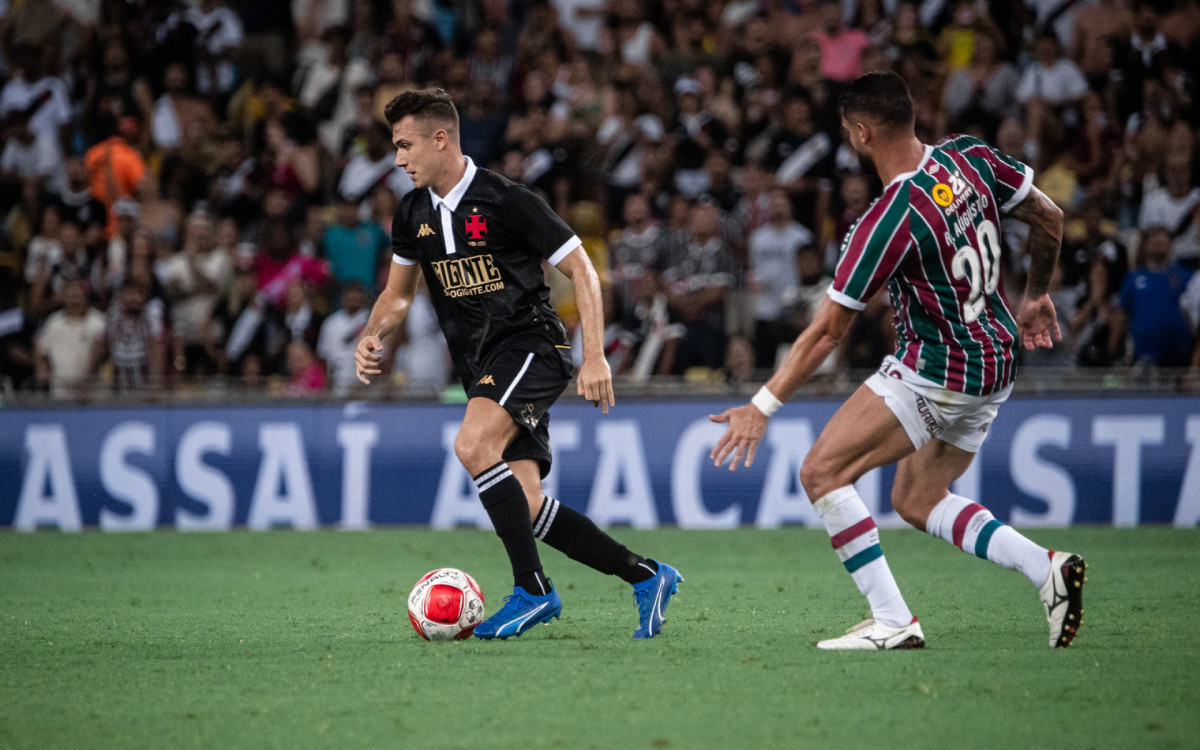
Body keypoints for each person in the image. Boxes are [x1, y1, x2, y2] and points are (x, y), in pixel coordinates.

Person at [710, 72, 1087, 650]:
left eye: (847, 132)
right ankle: (1047, 569)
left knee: (821, 472)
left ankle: (892, 622)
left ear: (861, 133)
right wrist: (1036, 293)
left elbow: (826, 334)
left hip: (940, 369)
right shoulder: (970, 156)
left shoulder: (891, 217)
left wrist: (762, 405)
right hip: (997, 361)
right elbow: (1050, 217)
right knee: (916, 498)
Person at [355, 89, 681, 640]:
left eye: (405, 145)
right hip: (482, 367)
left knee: (472, 446)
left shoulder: (507, 200)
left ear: (441, 139)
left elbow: (583, 270)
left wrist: (594, 355)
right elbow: (399, 294)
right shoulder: (412, 213)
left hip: (532, 346)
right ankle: (647, 575)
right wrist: (372, 332)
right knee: (526, 505)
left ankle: (533, 591)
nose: (398, 159)